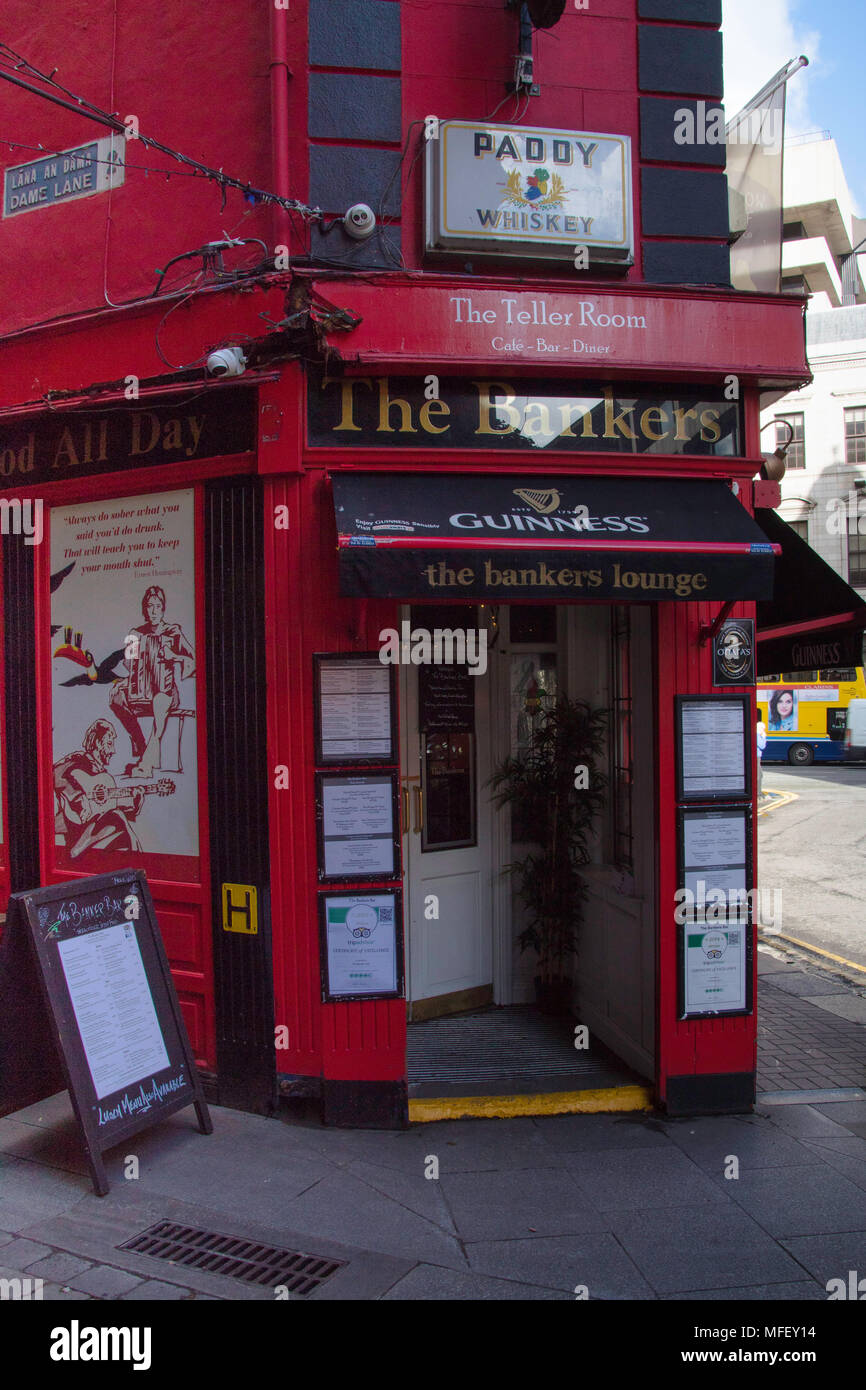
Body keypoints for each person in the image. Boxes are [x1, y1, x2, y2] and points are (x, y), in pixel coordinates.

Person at [109, 585, 195, 777]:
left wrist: (175, 656)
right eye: (150, 606)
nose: (154, 610)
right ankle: (141, 746)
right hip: (141, 692)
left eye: (158, 606)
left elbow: (194, 661)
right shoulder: (135, 634)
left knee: (159, 701)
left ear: (163, 608)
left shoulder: (173, 632)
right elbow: (129, 664)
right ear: (144, 609)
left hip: (166, 692)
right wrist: (131, 675)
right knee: (114, 696)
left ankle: (146, 764)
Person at [54, 719, 145, 857]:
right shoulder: (78, 760)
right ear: (97, 743)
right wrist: (77, 796)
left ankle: (136, 859)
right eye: (109, 744)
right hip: (71, 825)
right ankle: (139, 860)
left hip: (90, 827)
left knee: (118, 818)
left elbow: (105, 809)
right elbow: (52, 776)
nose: (113, 751)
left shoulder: (104, 778)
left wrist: (135, 804)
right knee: (118, 817)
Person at [756, 715, 767, 798]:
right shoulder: (758, 736)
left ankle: (758, 791)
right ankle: (758, 792)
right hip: (757, 756)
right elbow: (762, 746)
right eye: (763, 729)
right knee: (759, 775)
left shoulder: (757, 735)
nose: (763, 731)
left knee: (760, 774)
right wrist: (764, 737)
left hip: (757, 756)